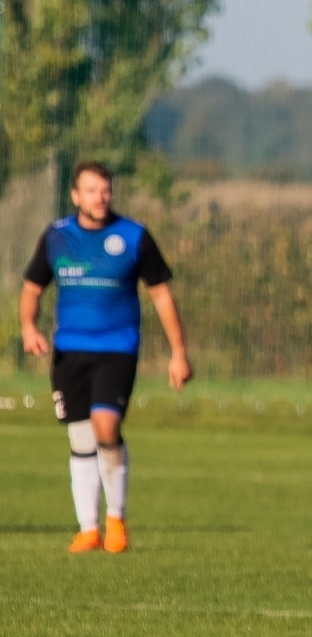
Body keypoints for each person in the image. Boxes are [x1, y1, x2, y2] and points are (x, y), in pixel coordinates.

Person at [20, 161, 191, 553]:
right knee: (80, 436)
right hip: (69, 351)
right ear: (76, 196)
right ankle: (88, 529)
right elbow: (32, 288)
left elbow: (161, 294)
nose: (101, 197)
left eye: (106, 189)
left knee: (105, 428)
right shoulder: (57, 237)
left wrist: (178, 353)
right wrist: (29, 326)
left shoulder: (133, 236)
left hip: (117, 348)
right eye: (92, 190)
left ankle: (116, 519)